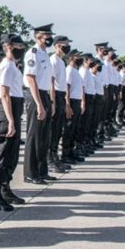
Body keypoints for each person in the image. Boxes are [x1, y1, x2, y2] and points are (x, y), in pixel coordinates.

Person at [0, 34, 26, 211]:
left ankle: (5, 188)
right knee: (3, 154)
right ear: (9, 46)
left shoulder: (13, 66)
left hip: (14, 107)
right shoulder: (5, 66)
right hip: (7, 111)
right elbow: (3, 93)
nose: (22, 49)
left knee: (12, 154)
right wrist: (10, 120)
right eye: (19, 45)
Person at [23, 24, 55, 185]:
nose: (48, 38)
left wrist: (49, 101)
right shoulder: (33, 53)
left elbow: (48, 80)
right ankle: (30, 172)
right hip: (35, 95)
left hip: (44, 94)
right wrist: (39, 104)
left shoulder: (44, 54)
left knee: (44, 136)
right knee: (34, 135)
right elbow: (30, 78)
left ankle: (42, 171)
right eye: (45, 36)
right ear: (37, 36)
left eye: (50, 35)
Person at [48, 35, 72, 173]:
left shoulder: (61, 61)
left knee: (58, 129)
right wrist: (52, 102)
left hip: (61, 95)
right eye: (65, 44)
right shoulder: (53, 60)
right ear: (57, 45)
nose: (67, 46)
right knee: (53, 130)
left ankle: (55, 156)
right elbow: (51, 81)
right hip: (55, 95)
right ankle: (49, 158)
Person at [62, 52, 85, 163]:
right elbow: (67, 88)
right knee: (69, 129)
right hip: (71, 101)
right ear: (71, 58)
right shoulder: (69, 70)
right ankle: (66, 154)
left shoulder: (75, 71)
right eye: (77, 56)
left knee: (74, 129)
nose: (80, 58)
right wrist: (68, 105)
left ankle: (71, 152)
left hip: (77, 101)